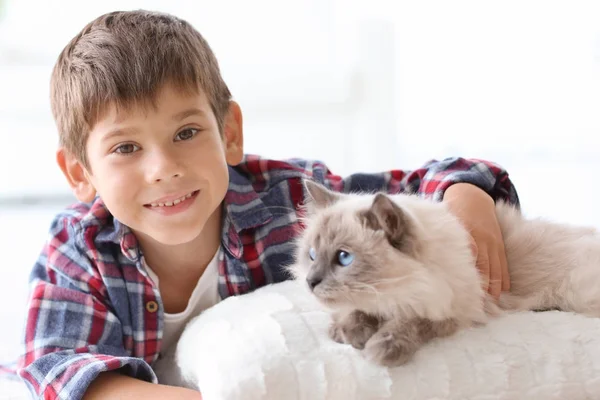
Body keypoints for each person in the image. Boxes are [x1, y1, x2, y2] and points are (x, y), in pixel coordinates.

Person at [14, 9, 519, 400]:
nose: (163, 168)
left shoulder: (283, 197)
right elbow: (56, 364)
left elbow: (419, 181)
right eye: (126, 148)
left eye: (187, 132)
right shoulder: (79, 249)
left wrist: (468, 194)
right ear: (81, 174)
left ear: (229, 133)